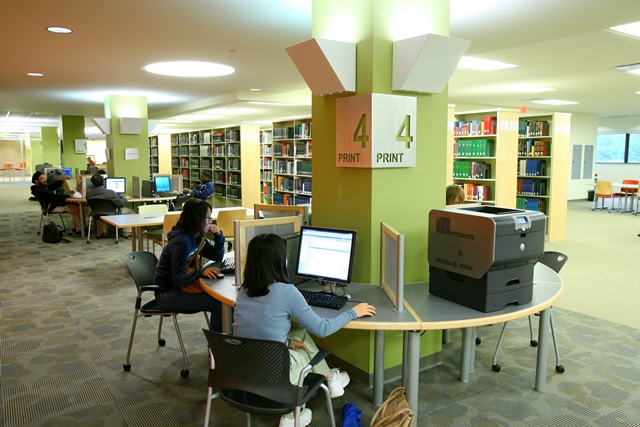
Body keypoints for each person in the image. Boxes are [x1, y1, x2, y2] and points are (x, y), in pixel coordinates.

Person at [233, 233, 376, 427]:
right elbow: (322, 329)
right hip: (276, 373)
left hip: (243, 369)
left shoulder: (243, 290)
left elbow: (255, 331)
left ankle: (332, 378)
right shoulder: (287, 292)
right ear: (279, 261)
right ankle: (292, 417)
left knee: (299, 333)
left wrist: (286, 341)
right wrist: (353, 312)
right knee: (303, 350)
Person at [153, 198, 226, 332]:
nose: (211, 222)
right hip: (168, 294)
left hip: (181, 287)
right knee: (220, 304)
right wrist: (200, 272)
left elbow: (217, 256)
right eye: (208, 218)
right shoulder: (181, 242)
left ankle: (220, 345)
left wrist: (218, 236)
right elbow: (177, 279)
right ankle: (216, 349)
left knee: (221, 299)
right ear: (196, 218)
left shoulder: (195, 236)